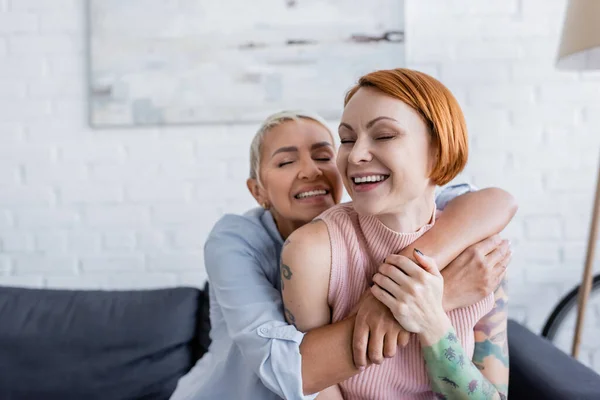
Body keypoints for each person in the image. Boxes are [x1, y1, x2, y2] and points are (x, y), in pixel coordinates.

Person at [170, 109, 515, 400]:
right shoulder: (236, 239)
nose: (310, 170)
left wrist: (402, 283)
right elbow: (285, 366)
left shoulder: (377, 214)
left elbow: (492, 201)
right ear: (257, 191)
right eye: (286, 161)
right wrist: (431, 298)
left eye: (324, 156)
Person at [282, 69, 515, 400]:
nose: (356, 154)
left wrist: (432, 322)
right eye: (347, 139)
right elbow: (313, 386)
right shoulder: (312, 250)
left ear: (437, 149)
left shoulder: (480, 254)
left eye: (384, 135)